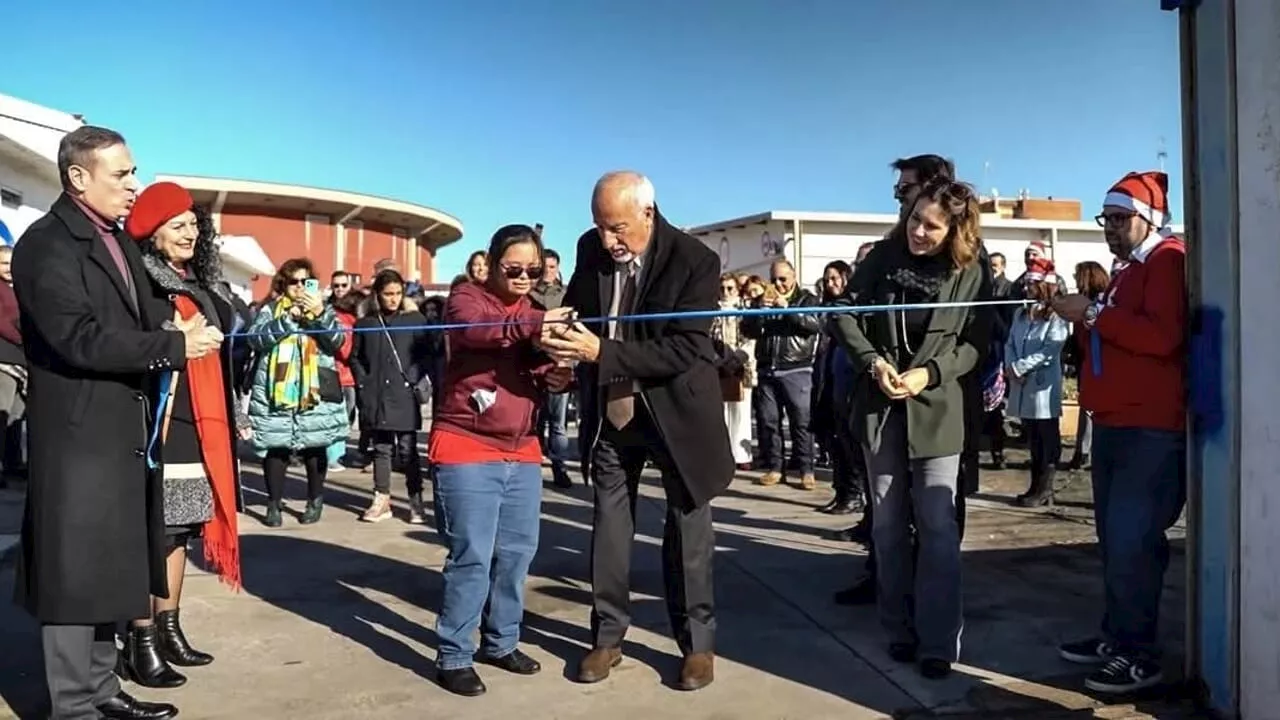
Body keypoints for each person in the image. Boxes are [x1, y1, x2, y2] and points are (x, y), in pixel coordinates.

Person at [12, 126, 221, 720]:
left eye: (132, 172)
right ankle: (73, 703)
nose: (134, 184)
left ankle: (102, 689)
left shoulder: (118, 242)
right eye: (122, 174)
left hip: (123, 435)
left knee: (112, 564)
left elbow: (149, 314)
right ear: (79, 177)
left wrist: (181, 325)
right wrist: (171, 347)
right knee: (74, 569)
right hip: (79, 434)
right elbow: (78, 337)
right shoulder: (48, 245)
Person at [542, 171, 734, 691]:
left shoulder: (696, 261)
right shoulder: (592, 249)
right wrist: (563, 356)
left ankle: (697, 645)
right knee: (608, 526)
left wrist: (601, 352)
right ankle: (606, 638)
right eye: (600, 228)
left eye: (618, 228)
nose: (608, 241)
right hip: (613, 410)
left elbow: (687, 349)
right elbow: (583, 317)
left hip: (676, 415)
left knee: (687, 530)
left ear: (648, 213)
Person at [829, 178, 991, 679]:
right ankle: (897, 627)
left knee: (939, 529)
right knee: (887, 525)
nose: (919, 231)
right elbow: (843, 313)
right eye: (915, 219)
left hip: (937, 412)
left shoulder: (971, 271)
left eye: (932, 225)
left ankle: (939, 640)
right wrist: (872, 361)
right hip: (880, 409)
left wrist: (930, 373)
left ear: (955, 230)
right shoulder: (882, 256)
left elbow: (973, 344)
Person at [1052, 171, 1187, 693]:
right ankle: (1120, 635)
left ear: (1148, 218)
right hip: (1115, 423)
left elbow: (1162, 337)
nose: (1109, 227)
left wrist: (1091, 313)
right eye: (1104, 219)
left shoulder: (1167, 261)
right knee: (1114, 541)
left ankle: (1139, 652)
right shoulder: (1130, 268)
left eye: (1119, 218)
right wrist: (1086, 316)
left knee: (1132, 542)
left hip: (1148, 428)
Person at [111, 182, 248, 690]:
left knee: (181, 530)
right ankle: (140, 639)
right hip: (158, 424)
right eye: (179, 224)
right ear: (152, 231)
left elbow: (226, 320)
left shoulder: (192, 280)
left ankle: (169, 628)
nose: (191, 231)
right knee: (153, 533)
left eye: (194, 223)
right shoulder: (140, 283)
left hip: (197, 423)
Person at [428, 225, 573, 696]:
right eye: (514, 269)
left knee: (516, 555)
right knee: (471, 555)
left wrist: (559, 374)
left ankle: (501, 640)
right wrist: (536, 327)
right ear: (490, 265)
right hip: (467, 445)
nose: (525, 276)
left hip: (523, 450)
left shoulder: (536, 312)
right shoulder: (465, 299)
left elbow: (542, 370)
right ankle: (453, 654)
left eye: (534, 269)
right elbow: (477, 333)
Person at [244, 258, 349, 527]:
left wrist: (320, 314)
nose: (300, 287)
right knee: (275, 446)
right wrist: (288, 320)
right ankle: (273, 503)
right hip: (276, 389)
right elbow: (255, 340)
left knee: (315, 446)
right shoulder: (270, 309)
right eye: (294, 281)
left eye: (306, 281)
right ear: (284, 283)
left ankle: (315, 499)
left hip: (315, 388)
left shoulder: (324, 310)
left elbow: (337, 342)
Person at [351, 268, 435, 524]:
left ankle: (415, 500)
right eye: (388, 294)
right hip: (376, 395)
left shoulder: (415, 320)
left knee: (408, 450)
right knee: (381, 449)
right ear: (377, 295)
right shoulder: (365, 323)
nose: (393, 298)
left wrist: (413, 376)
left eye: (398, 293)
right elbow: (355, 357)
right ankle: (381, 498)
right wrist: (363, 382)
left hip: (404, 394)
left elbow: (428, 354)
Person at [1003, 257, 1070, 507]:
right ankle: (1034, 486)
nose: (1026, 288)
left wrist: (1021, 366)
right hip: (1022, 385)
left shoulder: (1056, 316)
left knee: (1046, 438)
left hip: (1042, 384)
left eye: (1031, 283)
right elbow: (1010, 342)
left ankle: (1045, 488)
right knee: (1033, 439)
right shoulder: (1021, 314)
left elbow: (1051, 349)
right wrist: (1011, 365)